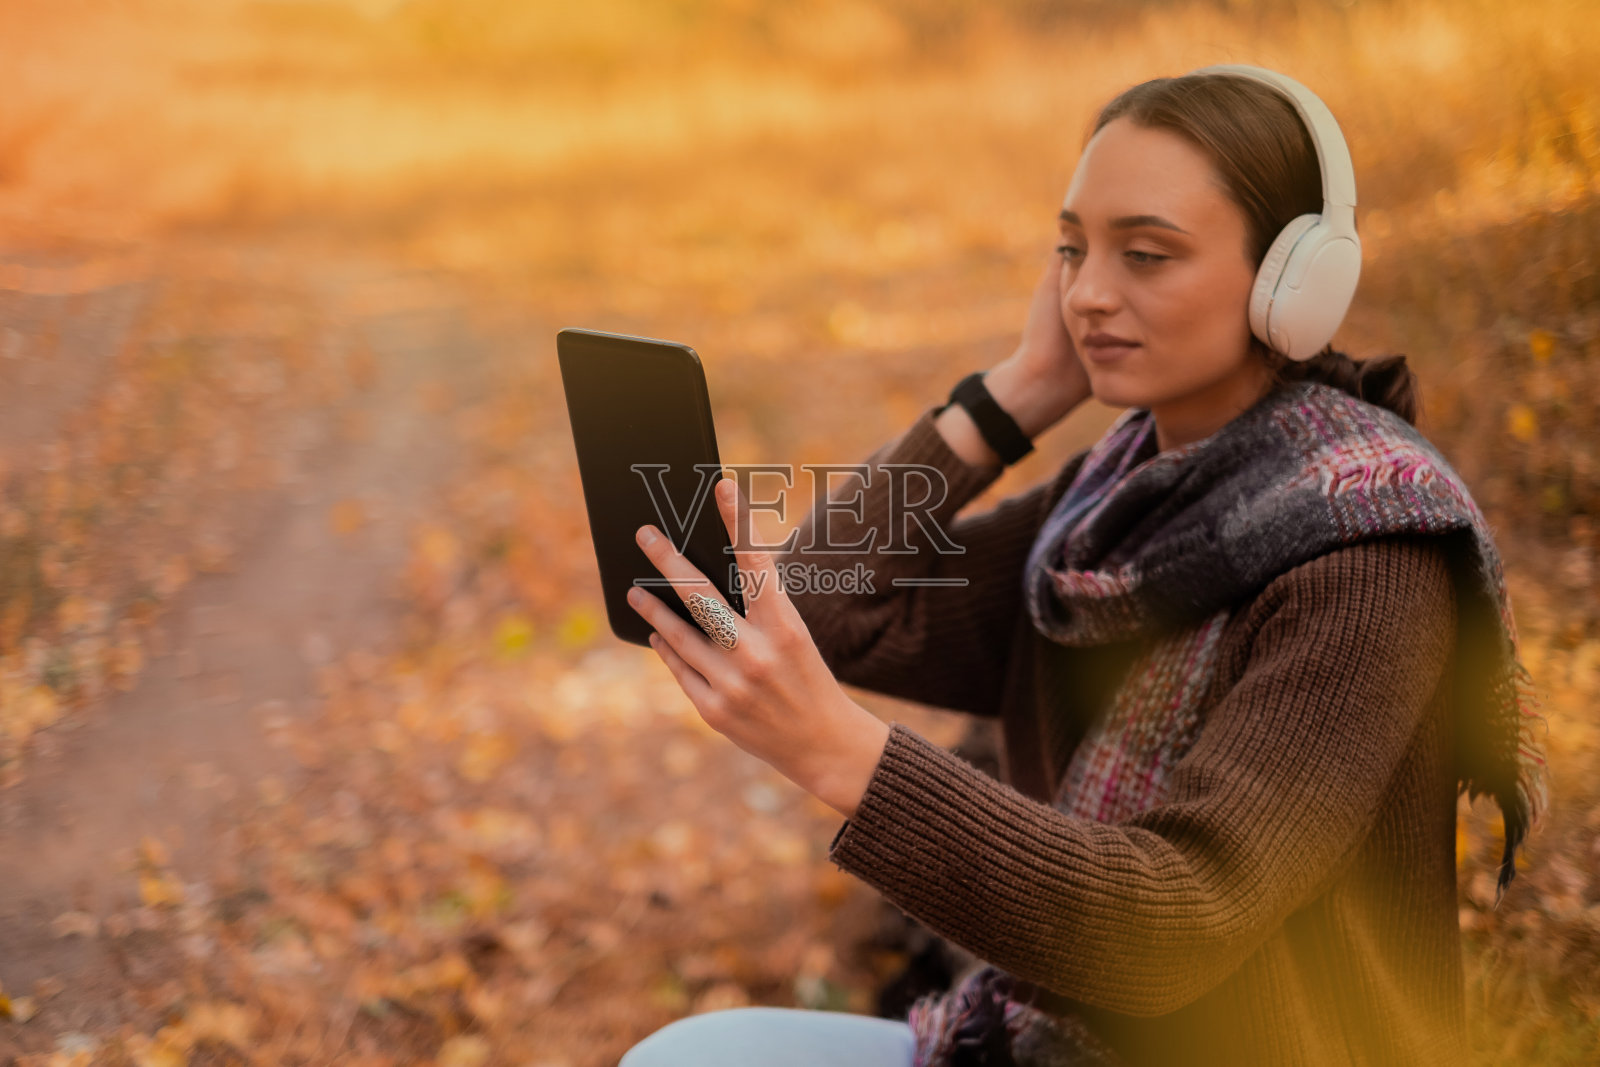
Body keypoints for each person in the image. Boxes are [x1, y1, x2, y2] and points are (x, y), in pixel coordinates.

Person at [616, 64, 1549, 1067]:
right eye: (1070, 250)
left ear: (1294, 281)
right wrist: (1013, 392)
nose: (1089, 293)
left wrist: (843, 754)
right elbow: (818, 606)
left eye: (1145, 253)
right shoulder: (1111, 500)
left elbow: (1174, 925)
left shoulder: (1367, 555)